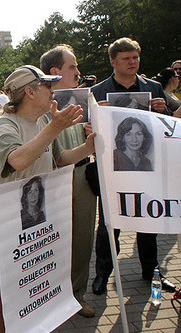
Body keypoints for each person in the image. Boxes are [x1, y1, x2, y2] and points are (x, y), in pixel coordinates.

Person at [0, 65, 96, 331]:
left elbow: (60, 159)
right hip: (6, 222)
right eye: (47, 85)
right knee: (0, 287)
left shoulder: (43, 121)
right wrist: (55, 126)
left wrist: (88, 147)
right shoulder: (4, 125)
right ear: (30, 92)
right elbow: (18, 159)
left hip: (35, 219)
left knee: (30, 281)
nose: (53, 90)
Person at [91, 37, 176, 295]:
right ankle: (102, 275)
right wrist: (95, 114)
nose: (132, 62)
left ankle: (151, 272)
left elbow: (166, 128)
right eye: (126, 58)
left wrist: (164, 112)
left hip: (147, 169)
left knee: (149, 222)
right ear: (113, 61)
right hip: (112, 170)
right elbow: (85, 130)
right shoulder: (98, 92)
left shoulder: (154, 88)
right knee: (109, 226)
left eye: (136, 57)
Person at [40, 44, 97, 317]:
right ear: (55, 71)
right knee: (53, 241)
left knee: (82, 240)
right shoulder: (39, 102)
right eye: (72, 66)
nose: (78, 71)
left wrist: (93, 127)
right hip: (53, 179)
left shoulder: (85, 98)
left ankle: (77, 296)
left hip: (84, 176)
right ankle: (51, 297)